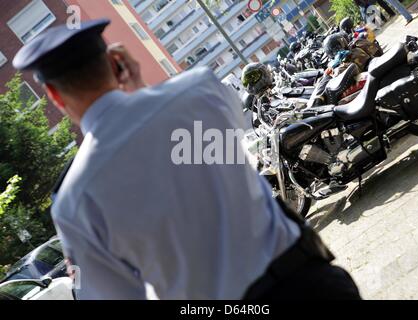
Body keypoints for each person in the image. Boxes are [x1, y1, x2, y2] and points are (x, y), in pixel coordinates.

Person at [13, 19, 361, 300]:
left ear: (55, 96)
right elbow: (236, 139)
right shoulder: (199, 89)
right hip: (313, 284)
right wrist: (140, 90)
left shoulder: (73, 201)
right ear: (114, 62)